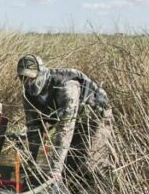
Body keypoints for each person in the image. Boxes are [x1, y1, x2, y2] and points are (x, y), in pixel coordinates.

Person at [15, 54, 114, 185]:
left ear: (41, 74)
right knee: (69, 167)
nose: (27, 82)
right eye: (23, 78)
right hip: (72, 121)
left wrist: (55, 170)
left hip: (96, 118)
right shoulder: (28, 93)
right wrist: (30, 163)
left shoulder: (65, 87)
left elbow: (65, 129)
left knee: (90, 166)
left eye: (30, 78)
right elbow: (33, 128)